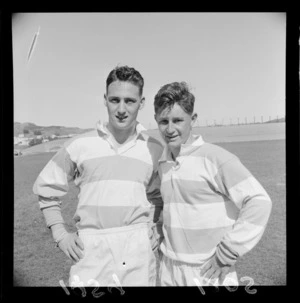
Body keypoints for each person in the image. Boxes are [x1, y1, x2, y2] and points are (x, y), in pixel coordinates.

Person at [33, 65, 164, 287]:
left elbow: (158, 197)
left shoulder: (154, 149)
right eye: (115, 100)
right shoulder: (79, 145)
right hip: (91, 251)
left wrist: (157, 228)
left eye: (130, 101)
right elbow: (46, 189)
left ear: (141, 103)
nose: (121, 109)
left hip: (139, 252)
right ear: (105, 99)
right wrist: (61, 235)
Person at [153, 81, 272, 286]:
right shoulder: (163, 162)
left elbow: (260, 201)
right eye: (164, 121)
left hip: (207, 271)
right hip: (168, 268)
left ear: (193, 119)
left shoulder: (216, 158)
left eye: (178, 120)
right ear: (156, 120)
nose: (170, 129)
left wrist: (227, 253)